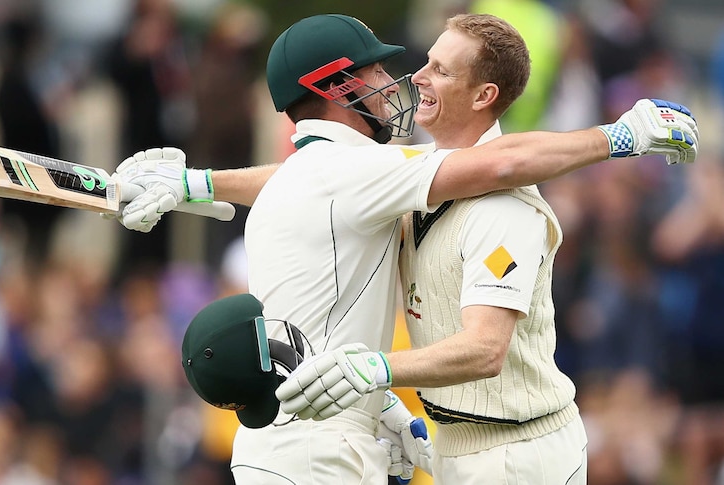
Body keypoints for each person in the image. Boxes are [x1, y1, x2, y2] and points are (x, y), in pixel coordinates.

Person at [110, 13, 698, 485]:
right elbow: (503, 159)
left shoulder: (353, 177)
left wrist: (198, 184)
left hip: (513, 449)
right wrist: (622, 137)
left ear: (483, 93)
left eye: (437, 69)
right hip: (327, 452)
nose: (408, 81)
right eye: (377, 71)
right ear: (334, 86)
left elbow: (485, 338)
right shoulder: (354, 175)